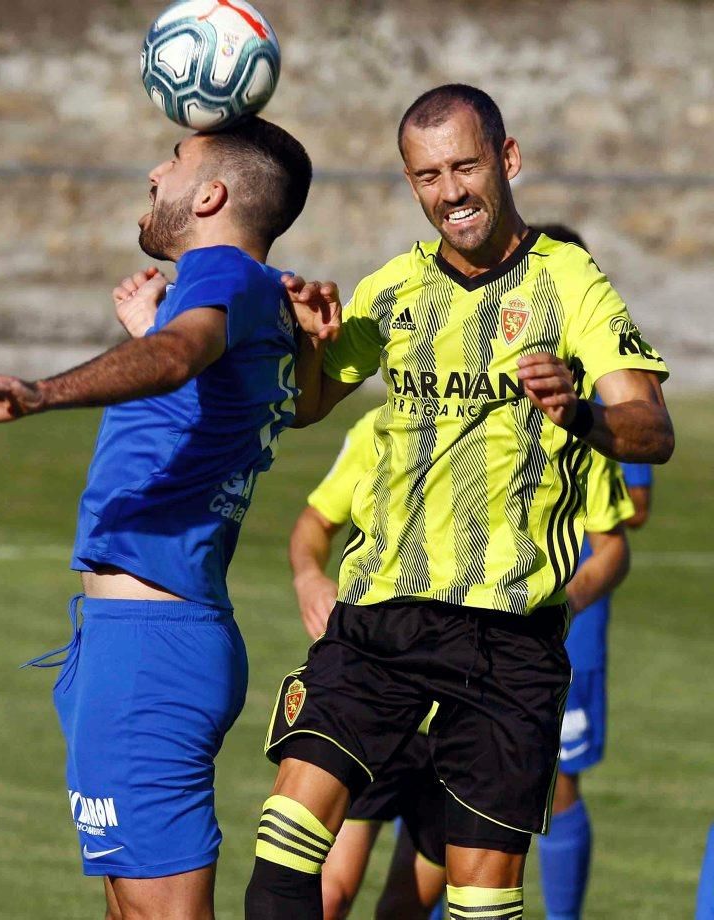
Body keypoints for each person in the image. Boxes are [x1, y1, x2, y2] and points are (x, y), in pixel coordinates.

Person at [244, 83, 673, 920]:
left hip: (508, 643)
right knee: (283, 858)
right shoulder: (394, 289)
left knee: (480, 907)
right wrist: (310, 341)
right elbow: (304, 405)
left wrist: (579, 411)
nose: (450, 192)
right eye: (427, 176)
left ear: (506, 161)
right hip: (384, 618)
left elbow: (651, 429)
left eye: (465, 166)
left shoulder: (569, 281)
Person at [0, 117, 312, 920]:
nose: (153, 172)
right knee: (128, 906)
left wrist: (41, 393)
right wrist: (152, 335)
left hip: (149, 654)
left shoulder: (225, 276)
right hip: (139, 642)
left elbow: (180, 356)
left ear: (211, 195)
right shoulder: (258, 299)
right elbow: (201, 380)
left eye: (174, 162)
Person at [289, 406, 637, 920]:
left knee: (410, 907)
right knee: (330, 893)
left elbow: (613, 545)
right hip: (381, 701)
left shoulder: (567, 429)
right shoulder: (391, 422)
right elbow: (315, 522)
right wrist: (309, 578)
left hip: (474, 715)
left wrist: (561, 602)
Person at [529, 226, 654, 920]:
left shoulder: (607, 381)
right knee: (439, 771)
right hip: (467, 600)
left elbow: (635, 505)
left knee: (557, 780)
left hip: (573, 614)